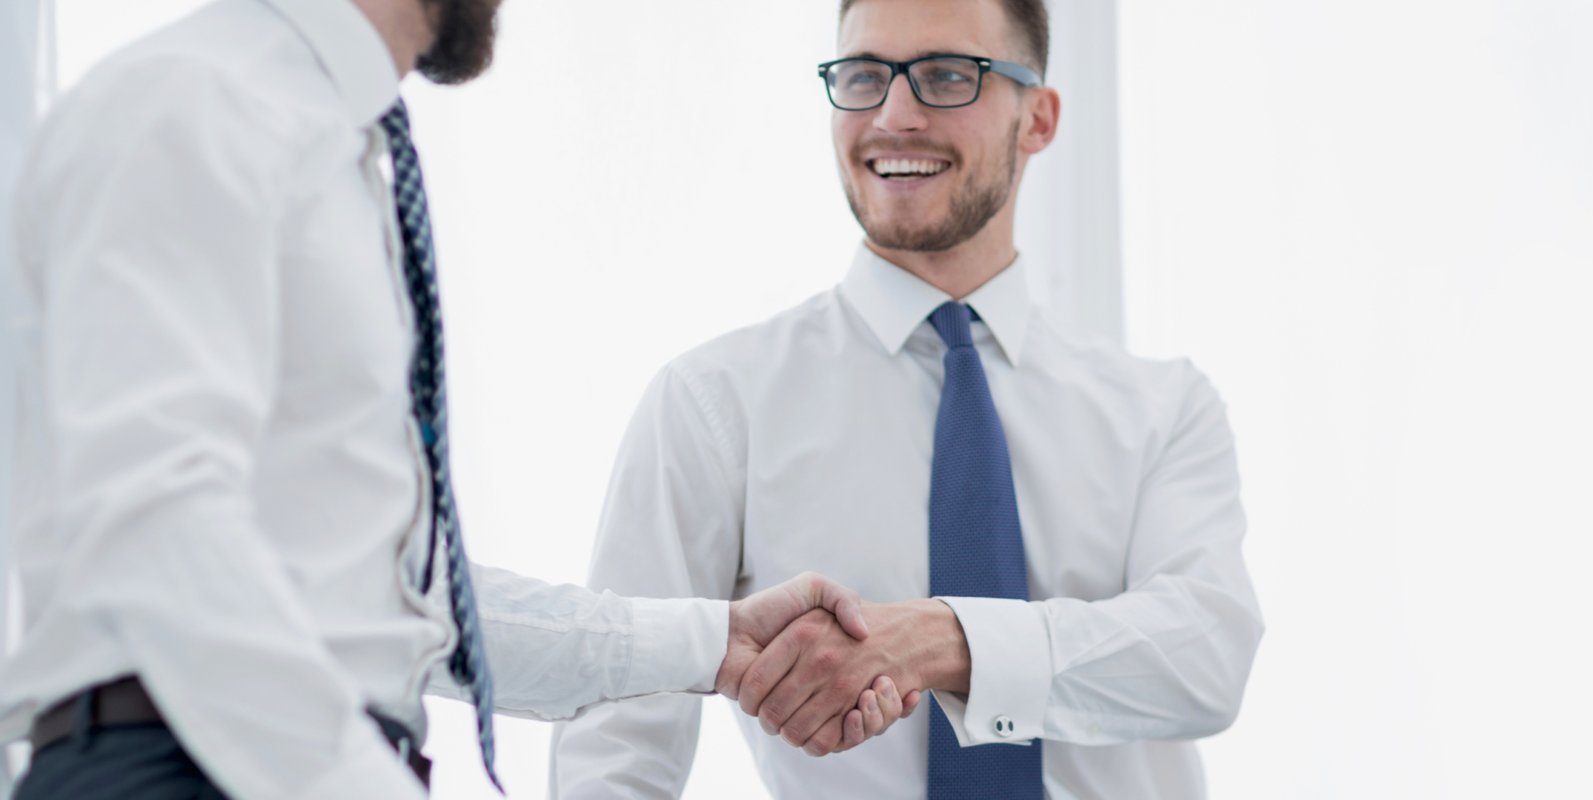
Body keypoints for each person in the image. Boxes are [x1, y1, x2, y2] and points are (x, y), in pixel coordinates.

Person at [0, 0, 914, 797]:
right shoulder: (191, 101)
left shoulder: (334, 144)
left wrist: (709, 643)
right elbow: (157, 530)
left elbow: (391, 597)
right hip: (185, 764)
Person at [549, 0, 1265, 797]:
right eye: (862, 76)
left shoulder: (1162, 409)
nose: (894, 116)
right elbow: (616, 741)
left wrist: (945, 640)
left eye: (947, 76)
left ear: (1039, 117)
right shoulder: (715, 405)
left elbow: (1205, 658)